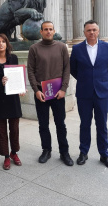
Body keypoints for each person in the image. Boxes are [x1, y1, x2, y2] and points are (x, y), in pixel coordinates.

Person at [70, 20, 108, 169]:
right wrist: (87, 80)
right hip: (84, 93)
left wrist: (101, 80)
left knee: (102, 125)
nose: (91, 32)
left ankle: (104, 154)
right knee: (85, 124)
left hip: (102, 93)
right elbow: (73, 69)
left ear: (98, 31)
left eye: (94, 30)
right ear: (84, 32)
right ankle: (83, 152)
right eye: (89, 30)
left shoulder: (107, 47)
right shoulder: (77, 49)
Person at [27, 21, 73, 166]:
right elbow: (30, 71)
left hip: (58, 92)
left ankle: (64, 152)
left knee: (60, 124)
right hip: (42, 93)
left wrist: (64, 89)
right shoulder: (34, 48)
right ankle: (46, 150)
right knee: (43, 124)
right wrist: (36, 90)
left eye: (50, 29)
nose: (48, 31)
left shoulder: (61, 47)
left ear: (54, 31)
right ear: (41, 32)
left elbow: (67, 69)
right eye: (45, 29)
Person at [0, 34, 25, 170]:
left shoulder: (13, 58)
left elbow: (18, 75)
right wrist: (0, 82)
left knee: (14, 128)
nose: (1, 44)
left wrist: (21, 87)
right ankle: (6, 156)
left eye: (3, 42)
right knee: (2, 130)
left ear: (7, 44)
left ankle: (14, 153)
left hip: (13, 98)